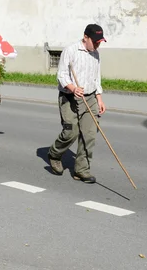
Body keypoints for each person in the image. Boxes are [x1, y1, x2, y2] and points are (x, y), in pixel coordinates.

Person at [47, 24, 107, 183]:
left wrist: (99, 98)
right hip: (70, 97)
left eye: (99, 42)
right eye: (95, 41)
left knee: (89, 135)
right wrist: (73, 88)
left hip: (90, 98)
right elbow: (61, 75)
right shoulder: (71, 51)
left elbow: (97, 77)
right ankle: (54, 153)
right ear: (85, 37)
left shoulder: (96, 54)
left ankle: (81, 170)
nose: (97, 44)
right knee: (71, 132)